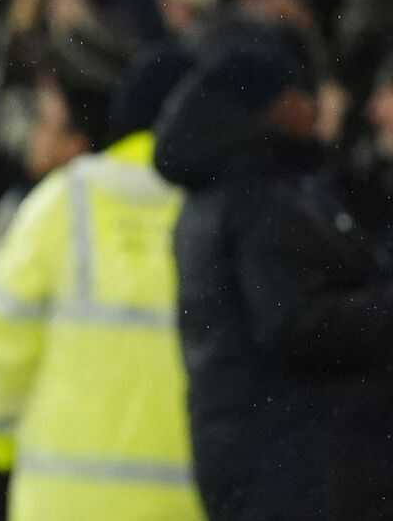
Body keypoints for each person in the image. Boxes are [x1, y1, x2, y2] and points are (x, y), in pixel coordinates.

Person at [0, 42, 205, 521]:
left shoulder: (60, 205)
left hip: (62, 503)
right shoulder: (220, 211)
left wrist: (1, 439)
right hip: (188, 505)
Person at [154, 33, 393, 520]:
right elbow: (299, 323)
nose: (312, 107)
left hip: (273, 464)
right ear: (272, 106)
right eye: (299, 94)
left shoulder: (233, 190)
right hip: (300, 473)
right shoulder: (258, 198)